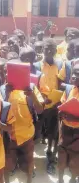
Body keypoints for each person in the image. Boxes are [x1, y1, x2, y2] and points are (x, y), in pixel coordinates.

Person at [1, 64, 44, 183]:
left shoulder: (31, 88)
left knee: (29, 161)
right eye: (7, 73)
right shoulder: (2, 89)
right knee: (7, 162)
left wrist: (32, 96)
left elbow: (40, 110)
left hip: (26, 134)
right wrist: (6, 95)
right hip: (9, 135)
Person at [34, 38, 67, 174]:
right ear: (42, 50)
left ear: (55, 51)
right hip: (40, 105)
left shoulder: (60, 65)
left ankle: (50, 157)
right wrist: (41, 99)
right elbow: (34, 85)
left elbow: (61, 84)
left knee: (53, 133)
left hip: (55, 105)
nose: (49, 51)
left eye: (51, 49)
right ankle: (31, 162)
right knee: (36, 133)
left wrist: (59, 100)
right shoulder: (36, 66)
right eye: (46, 49)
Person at [57, 64, 79, 183]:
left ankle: (72, 179)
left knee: (75, 161)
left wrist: (75, 118)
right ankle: (60, 182)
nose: (75, 76)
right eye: (74, 73)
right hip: (65, 130)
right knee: (61, 159)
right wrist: (61, 112)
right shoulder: (69, 89)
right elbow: (63, 104)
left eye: (78, 74)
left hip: (77, 134)